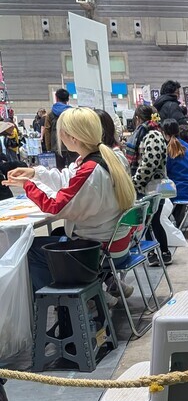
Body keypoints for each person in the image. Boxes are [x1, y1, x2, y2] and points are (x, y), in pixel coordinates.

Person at [2, 107, 136, 292]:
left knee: (27, 250)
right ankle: (96, 294)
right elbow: (69, 179)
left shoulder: (90, 170)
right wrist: (35, 173)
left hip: (100, 250)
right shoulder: (110, 157)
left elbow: (55, 206)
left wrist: (28, 185)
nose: (59, 136)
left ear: (74, 138)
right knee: (54, 236)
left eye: (61, 132)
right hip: (117, 243)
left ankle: (68, 300)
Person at [130, 110, 172, 266]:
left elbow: (149, 164)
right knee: (149, 222)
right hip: (148, 187)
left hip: (151, 187)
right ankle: (153, 252)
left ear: (138, 118)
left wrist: (136, 182)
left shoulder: (152, 135)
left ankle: (164, 252)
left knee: (153, 221)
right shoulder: (149, 134)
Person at [162, 120, 188, 228]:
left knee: (156, 191)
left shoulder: (169, 150)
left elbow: (165, 171)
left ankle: (164, 225)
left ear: (165, 134)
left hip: (178, 190)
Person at [44, 88, 73, 169]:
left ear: (56, 98)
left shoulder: (50, 114)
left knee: (59, 171)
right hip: (72, 146)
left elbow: (47, 131)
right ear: (67, 99)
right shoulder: (73, 113)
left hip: (56, 146)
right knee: (73, 170)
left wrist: (49, 147)